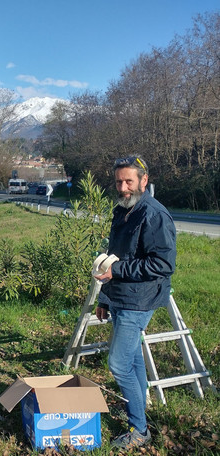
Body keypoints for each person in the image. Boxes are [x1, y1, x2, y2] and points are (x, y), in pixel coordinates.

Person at [94, 155, 176, 451]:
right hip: (121, 296)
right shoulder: (123, 209)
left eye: (129, 181)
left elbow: (163, 264)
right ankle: (138, 414)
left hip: (139, 300)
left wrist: (117, 271)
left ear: (144, 180)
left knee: (118, 363)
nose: (124, 187)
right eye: (119, 181)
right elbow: (114, 255)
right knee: (132, 359)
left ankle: (139, 430)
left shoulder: (153, 215)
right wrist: (105, 297)